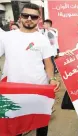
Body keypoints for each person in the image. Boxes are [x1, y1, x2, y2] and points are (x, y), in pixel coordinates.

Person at [0, 3, 60, 136]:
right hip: (13, 91)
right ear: (20, 17)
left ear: (39, 19)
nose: (29, 18)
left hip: (38, 89)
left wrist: (52, 79)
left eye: (33, 17)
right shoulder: (7, 37)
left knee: (41, 124)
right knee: (14, 127)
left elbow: (48, 63)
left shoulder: (43, 39)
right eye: (25, 15)